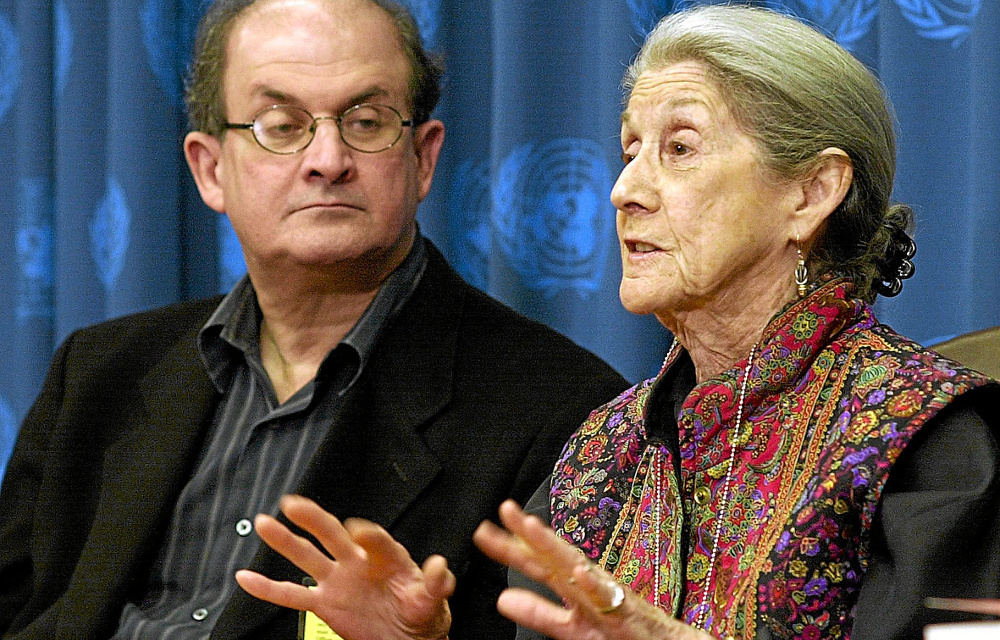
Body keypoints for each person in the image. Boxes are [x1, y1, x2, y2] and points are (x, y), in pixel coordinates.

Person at [232, 5, 1000, 640]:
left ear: (812, 192)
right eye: (631, 150)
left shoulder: (929, 437)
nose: (625, 189)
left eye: (680, 149)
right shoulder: (604, 451)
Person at [0, 1, 628, 639]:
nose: (327, 159)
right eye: (281, 124)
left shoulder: (563, 411)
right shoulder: (98, 372)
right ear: (210, 169)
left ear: (424, 159)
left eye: (366, 121)